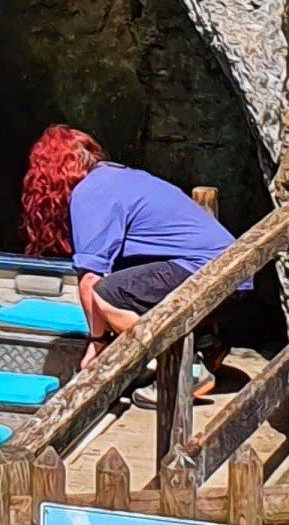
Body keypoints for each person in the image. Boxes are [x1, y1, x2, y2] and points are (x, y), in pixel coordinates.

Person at [20, 125, 235, 360]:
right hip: (235, 276)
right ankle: (207, 344)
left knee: (105, 293)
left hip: (205, 273)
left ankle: (181, 366)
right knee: (124, 277)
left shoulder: (91, 191)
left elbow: (90, 278)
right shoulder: (126, 177)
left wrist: (97, 343)